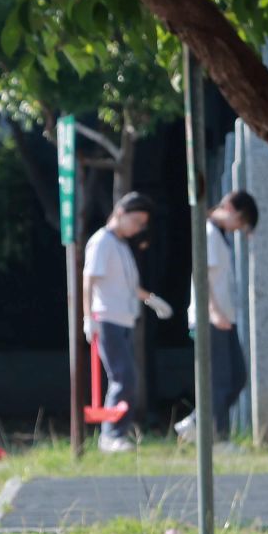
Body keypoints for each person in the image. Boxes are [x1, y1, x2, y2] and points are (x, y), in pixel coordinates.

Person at [81, 192, 170, 453]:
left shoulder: (120, 244)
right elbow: (89, 280)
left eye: (143, 224)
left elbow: (129, 286)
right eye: (137, 221)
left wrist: (152, 300)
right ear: (120, 212)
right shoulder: (102, 241)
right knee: (124, 378)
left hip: (123, 319)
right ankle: (110, 435)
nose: (138, 228)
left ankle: (116, 433)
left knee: (127, 378)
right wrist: (88, 317)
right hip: (107, 318)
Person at [174, 190, 259, 445]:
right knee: (221, 380)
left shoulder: (219, 235)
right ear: (231, 209)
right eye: (241, 222)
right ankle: (218, 439)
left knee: (237, 377)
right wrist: (214, 312)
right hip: (211, 318)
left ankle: (196, 423)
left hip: (223, 317)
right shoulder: (209, 234)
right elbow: (203, 278)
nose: (238, 229)